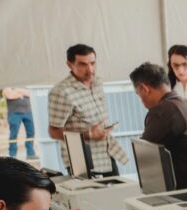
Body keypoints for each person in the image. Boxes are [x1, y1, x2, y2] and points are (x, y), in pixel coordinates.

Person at [130, 62, 187, 190]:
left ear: (144, 88)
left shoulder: (161, 111)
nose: (141, 100)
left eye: (138, 93)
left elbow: (145, 157)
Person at [48, 44, 129, 176]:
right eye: (82, 64)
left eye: (92, 63)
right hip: (83, 162)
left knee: (117, 195)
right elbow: (53, 132)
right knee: (91, 197)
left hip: (106, 155)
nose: (90, 69)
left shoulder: (97, 82)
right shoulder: (61, 92)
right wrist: (89, 135)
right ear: (70, 64)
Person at [2, 86, 37, 159]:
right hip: (14, 113)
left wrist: (17, 91)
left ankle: (30, 153)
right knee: (13, 134)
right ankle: (12, 155)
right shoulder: (6, 85)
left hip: (28, 112)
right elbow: (9, 96)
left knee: (31, 133)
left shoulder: (25, 85)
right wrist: (22, 93)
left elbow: (31, 93)